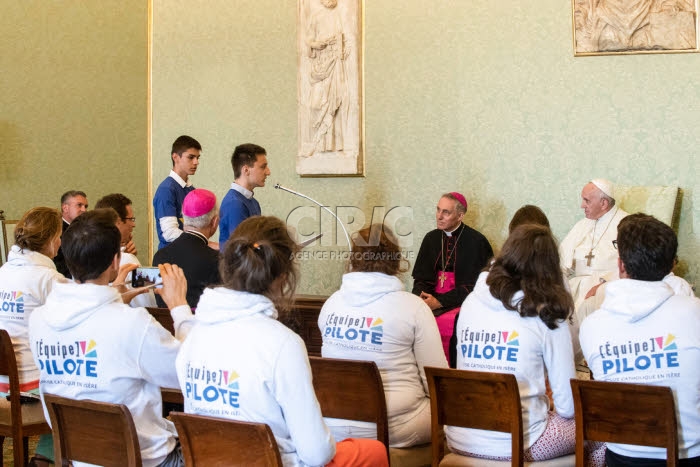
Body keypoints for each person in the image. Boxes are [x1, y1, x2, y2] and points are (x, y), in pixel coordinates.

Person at [176, 216, 388, 467]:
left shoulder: (193, 335)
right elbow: (315, 454)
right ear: (285, 276)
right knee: (373, 451)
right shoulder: (283, 343)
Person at [28, 209, 195, 467]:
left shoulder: (39, 320)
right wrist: (179, 307)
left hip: (80, 457)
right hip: (144, 460)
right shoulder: (131, 323)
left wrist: (115, 295)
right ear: (116, 261)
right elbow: (188, 373)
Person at [448, 225, 604, 465]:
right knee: (608, 433)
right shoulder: (547, 315)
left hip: (461, 435)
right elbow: (568, 407)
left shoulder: (471, 302)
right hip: (517, 444)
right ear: (549, 269)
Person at [580, 213, 700, 466]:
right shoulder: (694, 312)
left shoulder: (592, 327)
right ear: (671, 266)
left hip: (622, 456)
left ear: (621, 265)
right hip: (688, 455)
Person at [318, 225, 447, 447]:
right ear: (395, 259)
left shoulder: (331, 304)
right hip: (397, 426)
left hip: (334, 424)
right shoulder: (413, 307)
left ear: (354, 258)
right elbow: (436, 380)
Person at [0, 207, 65, 465]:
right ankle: (45, 458)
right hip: (25, 392)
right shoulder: (48, 278)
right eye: (60, 236)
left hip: (1, 385)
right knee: (75, 388)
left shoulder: (3, 272)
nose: (61, 242)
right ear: (50, 240)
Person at [412, 192, 493, 359]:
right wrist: (422, 300)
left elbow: (473, 287)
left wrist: (439, 302)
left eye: (446, 212)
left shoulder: (476, 242)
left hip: (461, 304)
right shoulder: (431, 238)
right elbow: (421, 278)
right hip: (430, 301)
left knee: (450, 323)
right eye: (438, 210)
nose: (439, 216)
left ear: (460, 215)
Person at [559, 179, 628, 308]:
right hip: (576, 290)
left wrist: (603, 285)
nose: (582, 205)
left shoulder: (627, 224)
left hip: (609, 291)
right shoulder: (583, 224)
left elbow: (634, 266)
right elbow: (561, 259)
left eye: (587, 201)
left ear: (604, 203)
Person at [153, 189, 221, 309]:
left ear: (183, 219)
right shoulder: (217, 260)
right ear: (214, 222)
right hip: (199, 326)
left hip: (166, 325)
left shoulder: (160, 256)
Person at [304, 0, 348, 156]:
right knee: (316, 104)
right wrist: (317, 44)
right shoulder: (316, 16)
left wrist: (341, 48)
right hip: (321, 62)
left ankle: (333, 146)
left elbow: (348, 40)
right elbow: (308, 41)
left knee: (335, 102)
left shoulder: (342, 13)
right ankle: (317, 145)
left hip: (335, 61)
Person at [154, 135, 201, 250]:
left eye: (198, 157)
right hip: (170, 258)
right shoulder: (166, 190)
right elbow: (169, 233)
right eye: (191, 157)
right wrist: (202, 243)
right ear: (175, 157)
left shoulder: (192, 190)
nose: (196, 162)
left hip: (189, 253)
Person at [218, 143, 270, 245]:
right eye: (263, 167)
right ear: (246, 170)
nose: (268, 172)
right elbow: (241, 248)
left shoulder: (253, 202)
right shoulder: (234, 204)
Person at [53, 190, 88, 278]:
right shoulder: (55, 231)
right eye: (79, 205)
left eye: (85, 206)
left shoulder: (87, 229)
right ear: (65, 208)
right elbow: (58, 264)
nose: (84, 210)